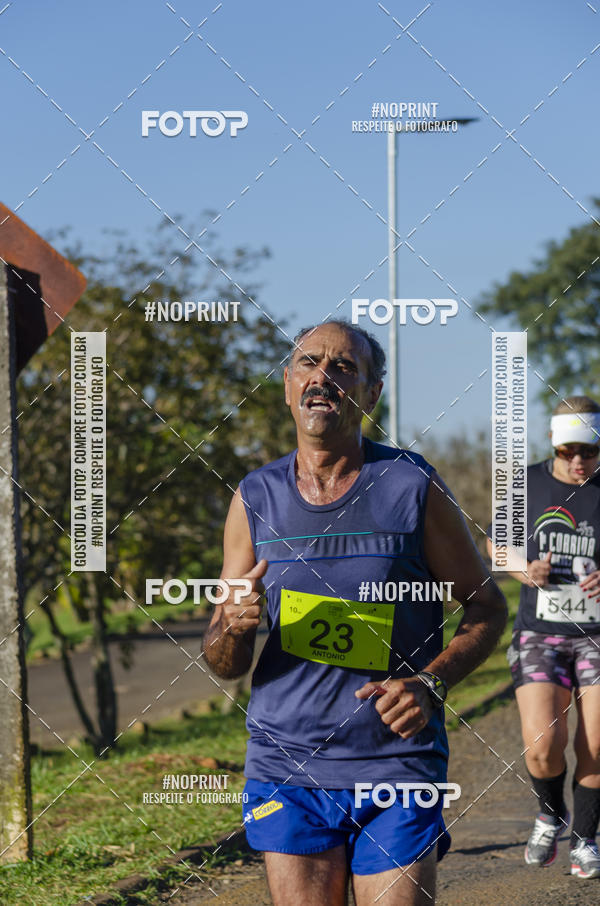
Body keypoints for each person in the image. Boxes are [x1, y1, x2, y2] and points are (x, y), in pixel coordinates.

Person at [203, 320, 507, 906]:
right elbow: (224, 659)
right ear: (289, 386)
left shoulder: (410, 484)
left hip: (395, 760)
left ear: (372, 393)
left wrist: (430, 683)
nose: (323, 377)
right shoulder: (254, 497)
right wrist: (231, 629)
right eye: (308, 364)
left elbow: (486, 607)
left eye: (344, 367)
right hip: (287, 764)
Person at [486, 396, 600, 879]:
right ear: (553, 444)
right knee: (542, 745)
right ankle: (550, 813)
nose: (579, 462)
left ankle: (586, 838)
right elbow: (494, 544)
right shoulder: (525, 485)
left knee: (596, 743)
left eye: (590, 452)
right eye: (569, 450)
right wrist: (522, 569)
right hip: (540, 632)